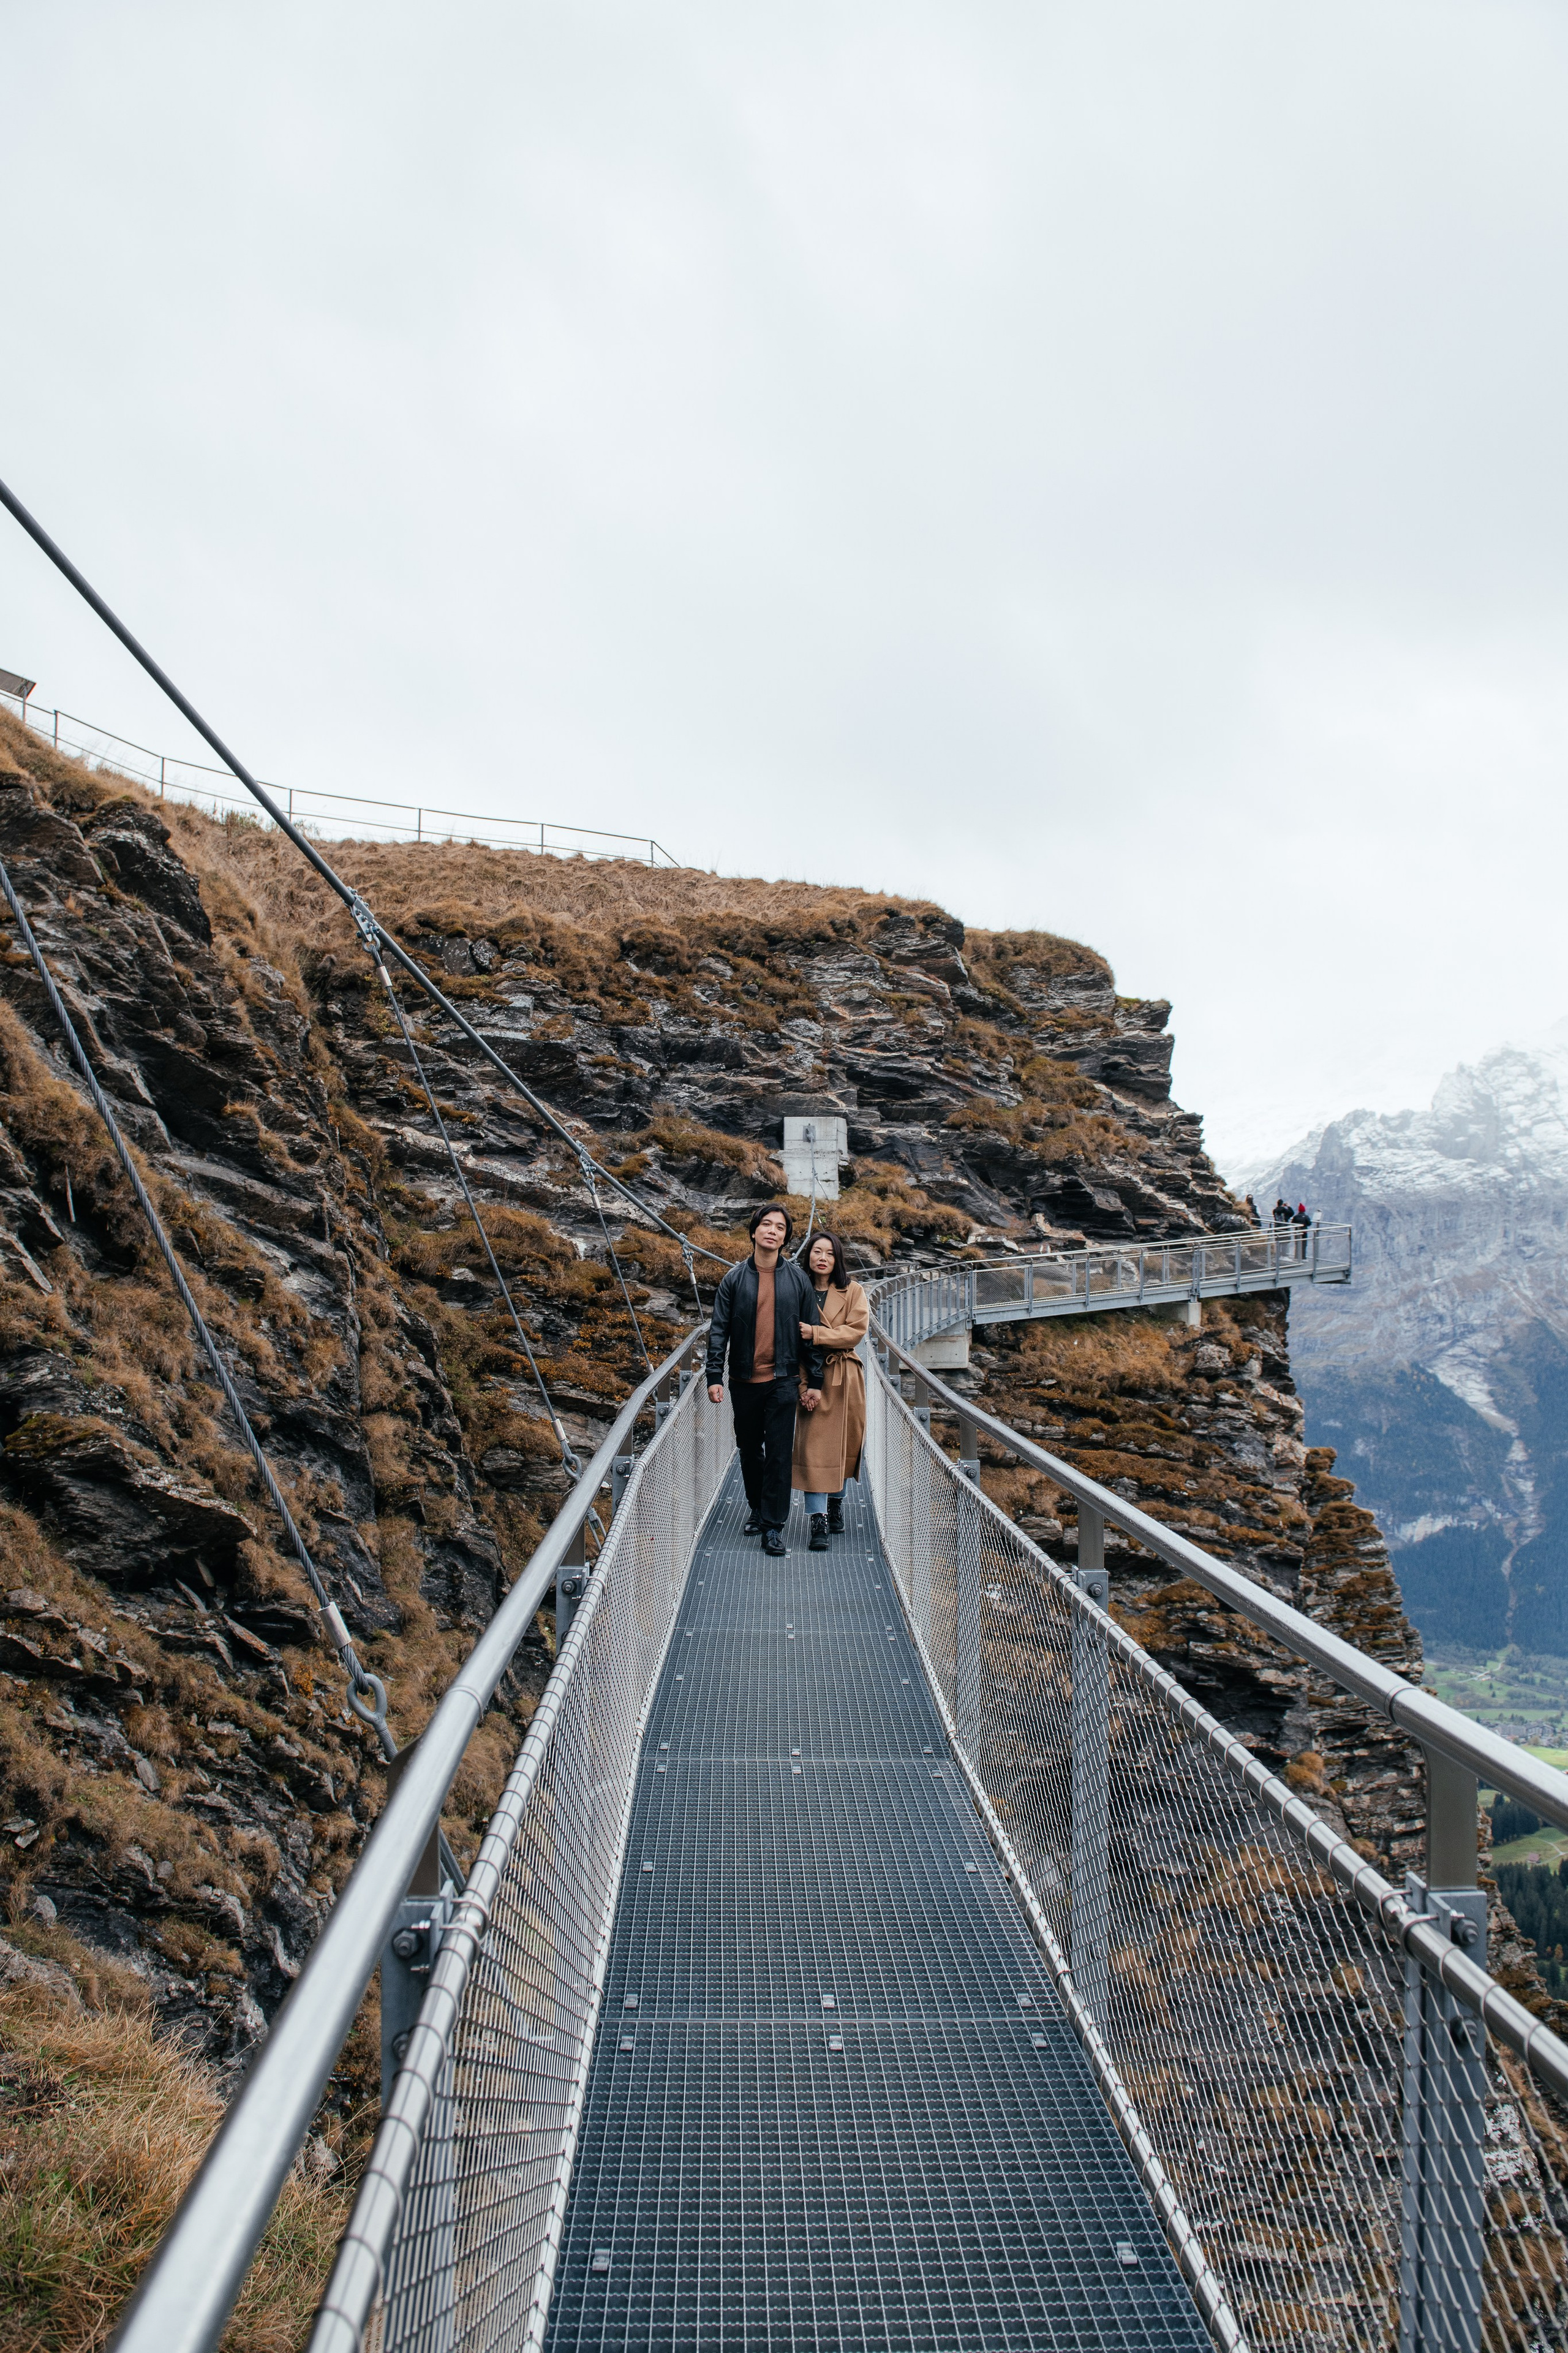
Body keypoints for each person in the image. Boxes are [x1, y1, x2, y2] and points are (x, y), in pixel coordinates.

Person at [706, 1206, 826, 1556]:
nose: (773, 1231)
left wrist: (814, 1380)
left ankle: (773, 1527)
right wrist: (715, 1374)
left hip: (784, 1378)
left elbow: (810, 1333)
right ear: (754, 1232)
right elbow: (718, 1331)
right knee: (749, 1449)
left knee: (777, 1455)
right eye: (766, 1225)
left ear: (786, 1237)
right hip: (744, 1378)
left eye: (780, 1227)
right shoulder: (733, 1279)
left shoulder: (797, 1280)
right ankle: (757, 1509)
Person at [790, 1231, 870, 1552]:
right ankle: (817, 1520)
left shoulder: (854, 1291)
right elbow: (791, 1340)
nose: (822, 1257)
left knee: (843, 1447)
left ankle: (837, 1501)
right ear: (808, 1256)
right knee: (814, 1449)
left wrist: (817, 1333)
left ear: (837, 1259)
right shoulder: (796, 1290)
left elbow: (855, 1333)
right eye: (816, 1251)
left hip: (845, 1378)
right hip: (809, 1376)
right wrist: (802, 1384)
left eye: (830, 1253)